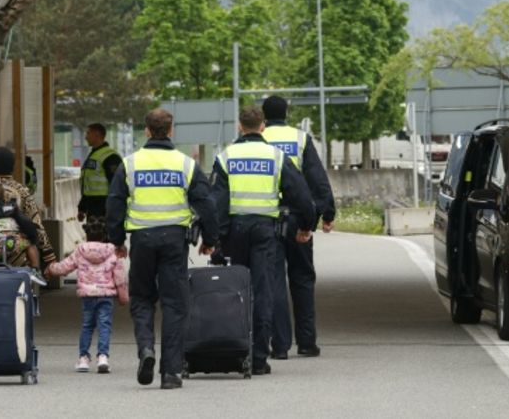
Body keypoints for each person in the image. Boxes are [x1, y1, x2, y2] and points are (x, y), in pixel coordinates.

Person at [106, 108, 218, 390]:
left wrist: (117, 240)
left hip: (142, 240)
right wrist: (211, 239)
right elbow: (207, 203)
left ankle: (146, 349)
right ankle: (171, 373)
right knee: (175, 304)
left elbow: (115, 204)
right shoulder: (185, 164)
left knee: (142, 299)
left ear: (146, 131)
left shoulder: (130, 164)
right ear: (171, 131)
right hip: (174, 241)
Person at [210, 106, 317, 376]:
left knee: (239, 291)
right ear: (262, 127)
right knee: (263, 290)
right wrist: (306, 225)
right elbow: (301, 194)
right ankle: (259, 358)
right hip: (265, 232)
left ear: (239, 127)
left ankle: (238, 350)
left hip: (236, 230)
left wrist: (217, 241)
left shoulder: (226, 157)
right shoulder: (276, 156)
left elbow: (217, 204)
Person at [261, 95, 337, 359]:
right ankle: (306, 342)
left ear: (264, 115)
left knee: (274, 281)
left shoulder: (259, 140)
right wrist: (327, 212)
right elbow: (317, 178)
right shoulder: (300, 138)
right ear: (287, 113)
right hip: (298, 216)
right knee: (302, 278)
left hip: (269, 217)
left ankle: (279, 345)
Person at [44, 225, 127, 374]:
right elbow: (120, 277)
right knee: (104, 326)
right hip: (105, 295)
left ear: (86, 236)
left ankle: (83, 358)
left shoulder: (80, 251)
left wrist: (50, 268)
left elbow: (65, 267)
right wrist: (123, 296)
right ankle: (103, 357)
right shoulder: (112, 252)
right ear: (104, 236)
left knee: (87, 326)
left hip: (88, 295)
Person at [0, 146, 55, 268]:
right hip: (16, 255)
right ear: (13, 166)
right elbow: (37, 225)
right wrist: (49, 257)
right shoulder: (22, 191)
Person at [77, 123, 123, 243]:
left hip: (105, 209)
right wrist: (82, 207)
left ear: (97, 135)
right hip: (93, 209)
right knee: (94, 247)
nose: (86, 137)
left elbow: (117, 185)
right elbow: (88, 186)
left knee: (105, 245)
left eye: (88, 133)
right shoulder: (94, 155)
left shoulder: (110, 157)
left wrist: (114, 210)